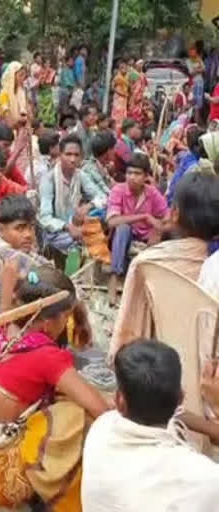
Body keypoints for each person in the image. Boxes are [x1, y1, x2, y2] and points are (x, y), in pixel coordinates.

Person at [0, 265, 109, 511]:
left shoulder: (4, 325)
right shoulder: (47, 357)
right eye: (66, 317)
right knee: (79, 417)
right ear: (48, 323)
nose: (67, 324)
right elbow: (100, 409)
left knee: (59, 396)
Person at [82, 340, 219, 512]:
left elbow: (170, 415)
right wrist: (216, 406)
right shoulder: (202, 478)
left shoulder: (101, 429)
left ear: (118, 400)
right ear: (181, 398)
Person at [109, 172, 219, 358]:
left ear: (175, 214)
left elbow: (128, 333)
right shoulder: (212, 262)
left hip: (159, 367)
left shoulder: (148, 264)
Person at [0, 195, 50, 315]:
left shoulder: (22, 250)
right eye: (20, 228)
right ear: (1, 229)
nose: (28, 234)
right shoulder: (0, 257)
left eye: (31, 227)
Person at [38, 134, 104, 254]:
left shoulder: (80, 175)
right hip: (55, 233)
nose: (72, 159)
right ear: (60, 155)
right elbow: (45, 218)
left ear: (81, 157)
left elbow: (102, 197)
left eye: (76, 155)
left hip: (76, 225)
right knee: (82, 241)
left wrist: (89, 206)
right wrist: (68, 227)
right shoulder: (49, 179)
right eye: (68, 154)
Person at [79, 130, 116, 213]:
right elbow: (103, 196)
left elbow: (113, 185)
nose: (115, 151)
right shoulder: (88, 170)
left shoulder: (101, 166)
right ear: (108, 151)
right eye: (114, 148)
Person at [0, 61, 30, 129]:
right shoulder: (4, 94)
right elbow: (9, 122)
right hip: (7, 132)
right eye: (20, 75)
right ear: (12, 76)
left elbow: (29, 115)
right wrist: (20, 119)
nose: (23, 78)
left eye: (24, 75)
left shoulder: (22, 93)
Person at [35, 54, 56, 127]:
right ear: (43, 64)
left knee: (49, 108)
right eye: (46, 63)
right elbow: (38, 85)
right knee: (43, 108)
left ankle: (50, 123)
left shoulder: (52, 72)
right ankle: (43, 123)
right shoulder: (40, 72)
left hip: (48, 92)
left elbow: (53, 83)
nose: (48, 64)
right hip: (42, 93)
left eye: (49, 63)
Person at [127, 59, 147, 125]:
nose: (141, 65)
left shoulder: (143, 75)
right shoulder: (133, 74)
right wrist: (133, 95)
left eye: (142, 64)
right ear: (136, 64)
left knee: (140, 112)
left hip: (141, 97)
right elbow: (130, 85)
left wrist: (143, 95)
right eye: (140, 64)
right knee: (132, 111)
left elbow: (145, 86)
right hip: (134, 97)